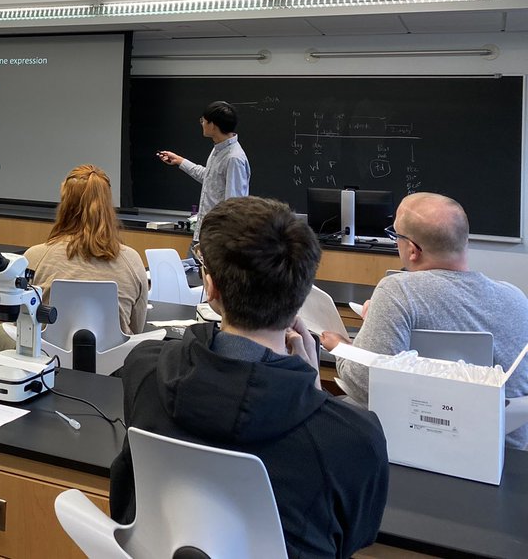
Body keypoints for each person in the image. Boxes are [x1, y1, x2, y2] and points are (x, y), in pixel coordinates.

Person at [110, 197, 388, 559]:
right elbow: (355, 538)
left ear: (211, 288)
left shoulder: (145, 370)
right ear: (302, 295)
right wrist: (313, 395)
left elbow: (124, 497)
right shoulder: (354, 438)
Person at [322, 192, 528, 449]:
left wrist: (343, 349)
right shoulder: (517, 299)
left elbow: (363, 386)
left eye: (396, 236)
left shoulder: (398, 291)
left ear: (412, 250)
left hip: (415, 445)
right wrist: (380, 320)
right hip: (503, 451)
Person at [0, 164, 147, 350]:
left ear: (64, 205)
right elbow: (137, 328)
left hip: (46, 361)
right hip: (114, 366)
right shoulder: (132, 260)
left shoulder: (35, 256)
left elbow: (20, 323)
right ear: (108, 206)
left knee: (1, 333)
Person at [156, 100, 249, 238]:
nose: (202, 124)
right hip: (203, 233)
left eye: (203, 121)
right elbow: (210, 177)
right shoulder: (218, 149)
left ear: (213, 125)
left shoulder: (233, 158)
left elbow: (234, 205)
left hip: (218, 238)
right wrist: (180, 161)